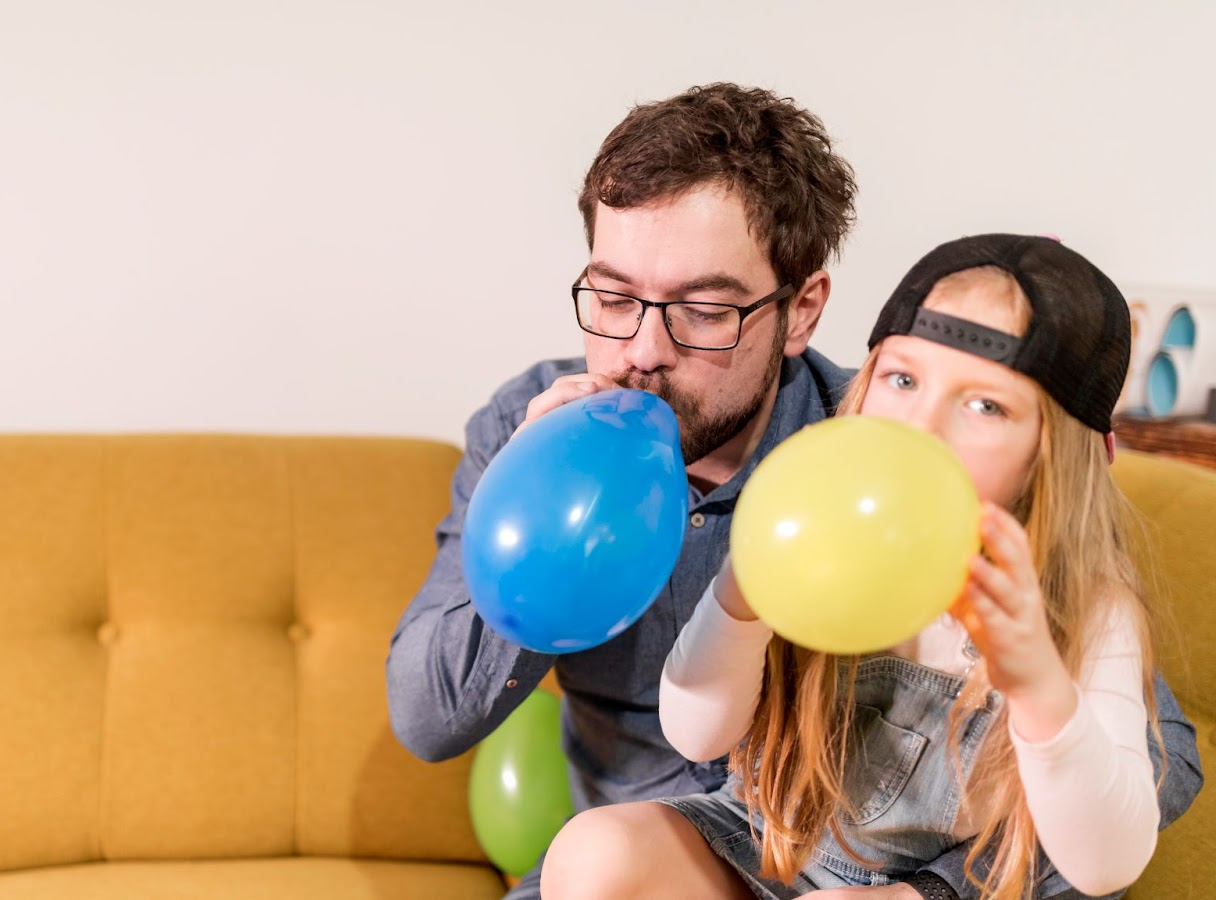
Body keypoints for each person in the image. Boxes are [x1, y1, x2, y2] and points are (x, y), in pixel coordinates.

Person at [385, 83, 1203, 900]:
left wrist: (939, 892)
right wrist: (547, 546)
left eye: (703, 309)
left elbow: (1156, 763)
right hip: (661, 862)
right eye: (613, 297)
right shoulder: (533, 431)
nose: (640, 350)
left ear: (801, 309)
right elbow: (429, 720)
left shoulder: (887, 464)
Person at [540, 233, 1182, 899]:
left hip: (934, 891)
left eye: (985, 405)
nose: (921, 427)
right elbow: (697, 737)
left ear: (1054, 457)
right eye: (902, 380)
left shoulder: (1087, 609)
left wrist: (1039, 685)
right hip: (767, 849)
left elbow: (1107, 863)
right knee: (595, 852)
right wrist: (742, 596)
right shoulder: (820, 524)